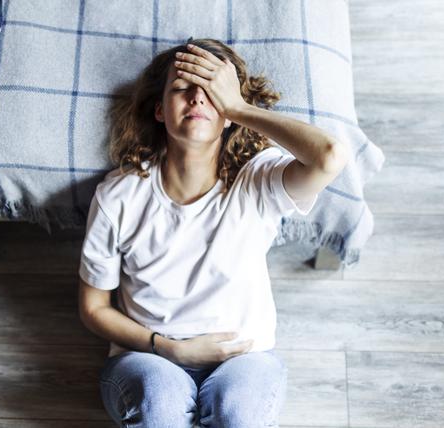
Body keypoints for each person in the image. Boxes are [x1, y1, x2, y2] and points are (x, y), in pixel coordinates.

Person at [78, 38, 349, 428]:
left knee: (238, 412)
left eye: (212, 92)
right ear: (159, 110)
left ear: (227, 113)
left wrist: (238, 106)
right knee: (159, 406)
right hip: (149, 358)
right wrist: (168, 348)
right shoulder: (118, 196)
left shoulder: (258, 180)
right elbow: (93, 308)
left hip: (244, 361)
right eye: (181, 88)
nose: (197, 99)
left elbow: (329, 156)